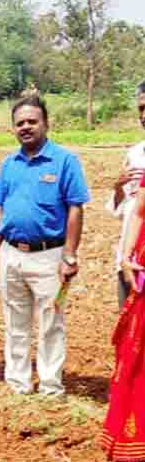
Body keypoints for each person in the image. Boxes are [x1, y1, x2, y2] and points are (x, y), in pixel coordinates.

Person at [0, 95, 90, 396]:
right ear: (13, 129)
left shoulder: (64, 161)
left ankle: (49, 388)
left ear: (46, 123)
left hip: (49, 257)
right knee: (15, 324)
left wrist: (69, 256)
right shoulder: (9, 164)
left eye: (32, 121)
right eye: (20, 123)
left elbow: (75, 209)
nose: (26, 127)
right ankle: (17, 385)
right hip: (11, 255)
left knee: (50, 324)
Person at [101, 86, 145, 462]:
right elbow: (133, 211)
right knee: (132, 345)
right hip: (136, 262)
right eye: (142, 108)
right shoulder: (134, 154)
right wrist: (128, 255)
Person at [107, 81, 145, 308]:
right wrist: (117, 187)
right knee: (130, 334)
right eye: (141, 108)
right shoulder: (135, 154)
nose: (144, 115)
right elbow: (127, 212)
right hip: (131, 257)